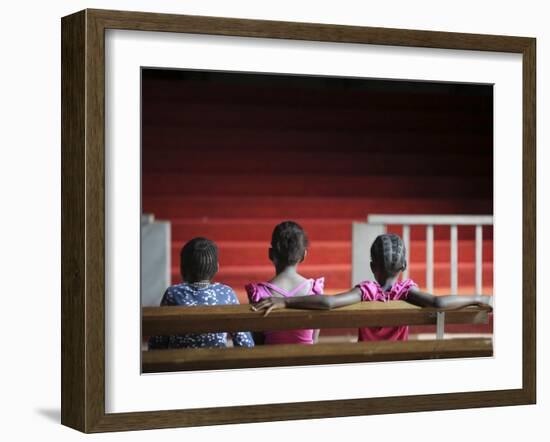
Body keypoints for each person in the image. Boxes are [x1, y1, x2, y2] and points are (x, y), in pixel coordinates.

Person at [252, 233, 492, 341]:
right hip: (399, 362)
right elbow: (439, 303)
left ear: (372, 266)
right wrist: (477, 297)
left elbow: (329, 303)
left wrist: (285, 301)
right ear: (404, 266)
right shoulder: (406, 291)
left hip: (365, 362)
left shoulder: (367, 292)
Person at [148, 237, 254, 349]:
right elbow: (245, 342)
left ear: (182, 269)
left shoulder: (173, 293)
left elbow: (158, 340)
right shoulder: (226, 293)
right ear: (217, 268)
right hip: (217, 361)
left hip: (179, 362)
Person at [245, 221, 325, 345]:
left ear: (271, 254)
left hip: (271, 362)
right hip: (306, 360)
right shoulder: (314, 289)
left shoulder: (258, 293)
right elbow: (314, 340)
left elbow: (258, 342)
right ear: (304, 255)